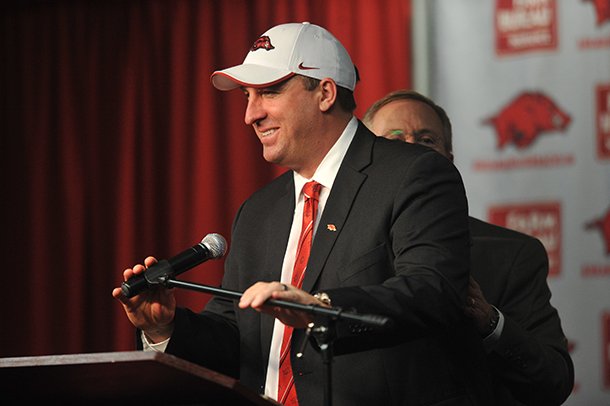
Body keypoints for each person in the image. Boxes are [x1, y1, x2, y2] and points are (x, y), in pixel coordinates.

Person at [113, 23, 495, 405]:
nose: (250, 115)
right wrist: (166, 326)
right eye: (247, 96)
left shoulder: (415, 174)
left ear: (325, 93)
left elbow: (433, 292)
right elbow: (238, 334)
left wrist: (321, 309)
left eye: (269, 92)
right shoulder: (258, 210)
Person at [363, 89, 574, 406]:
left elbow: (554, 382)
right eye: (393, 140)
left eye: (425, 140)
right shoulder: (326, 242)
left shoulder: (512, 255)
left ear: (448, 161)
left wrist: (490, 322)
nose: (410, 152)